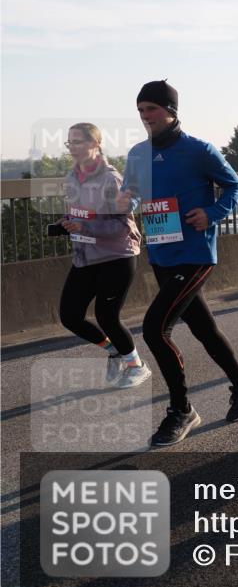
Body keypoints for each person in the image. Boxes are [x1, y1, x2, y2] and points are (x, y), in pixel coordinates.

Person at [120, 80, 238, 446]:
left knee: (154, 329)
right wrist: (126, 204)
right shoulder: (137, 154)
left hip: (196, 252)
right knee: (202, 327)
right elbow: (133, 193)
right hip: (162, 252)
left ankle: (181, 409)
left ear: (170, 111)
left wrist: (212, 213)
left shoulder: (199, 150)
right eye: (140, 110)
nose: (145, 116)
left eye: (151, 108)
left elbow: (235, 186)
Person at [58, 123, 151, 389]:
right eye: (69, 143)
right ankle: (115, 351)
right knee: (70, 316)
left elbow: (121, 226)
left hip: (116, 256)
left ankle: (136, 365)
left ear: (95, 144)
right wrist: (66, 223)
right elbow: (80, 215)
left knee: (107, 316)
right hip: (86, 255)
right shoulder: (72, 177)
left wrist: (84, 226)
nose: (72, 148)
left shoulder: (111, 179)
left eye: (77, 142)